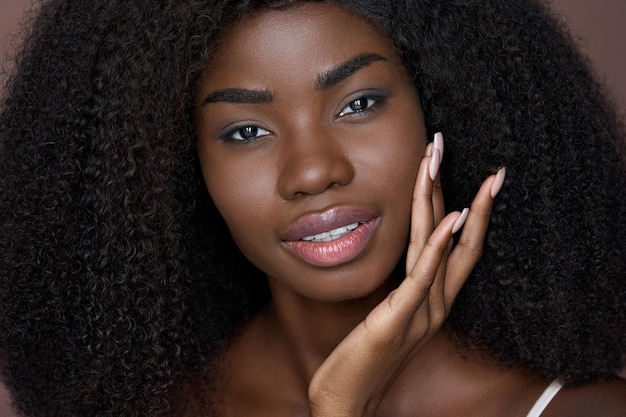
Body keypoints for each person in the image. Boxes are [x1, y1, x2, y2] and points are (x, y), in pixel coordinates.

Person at [1, 0, 625, 416]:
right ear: (179, 169)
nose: (313, 171)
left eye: (359, 104)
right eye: (245, 132)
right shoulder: (148, 407)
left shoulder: (580, 410)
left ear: (444, 105)